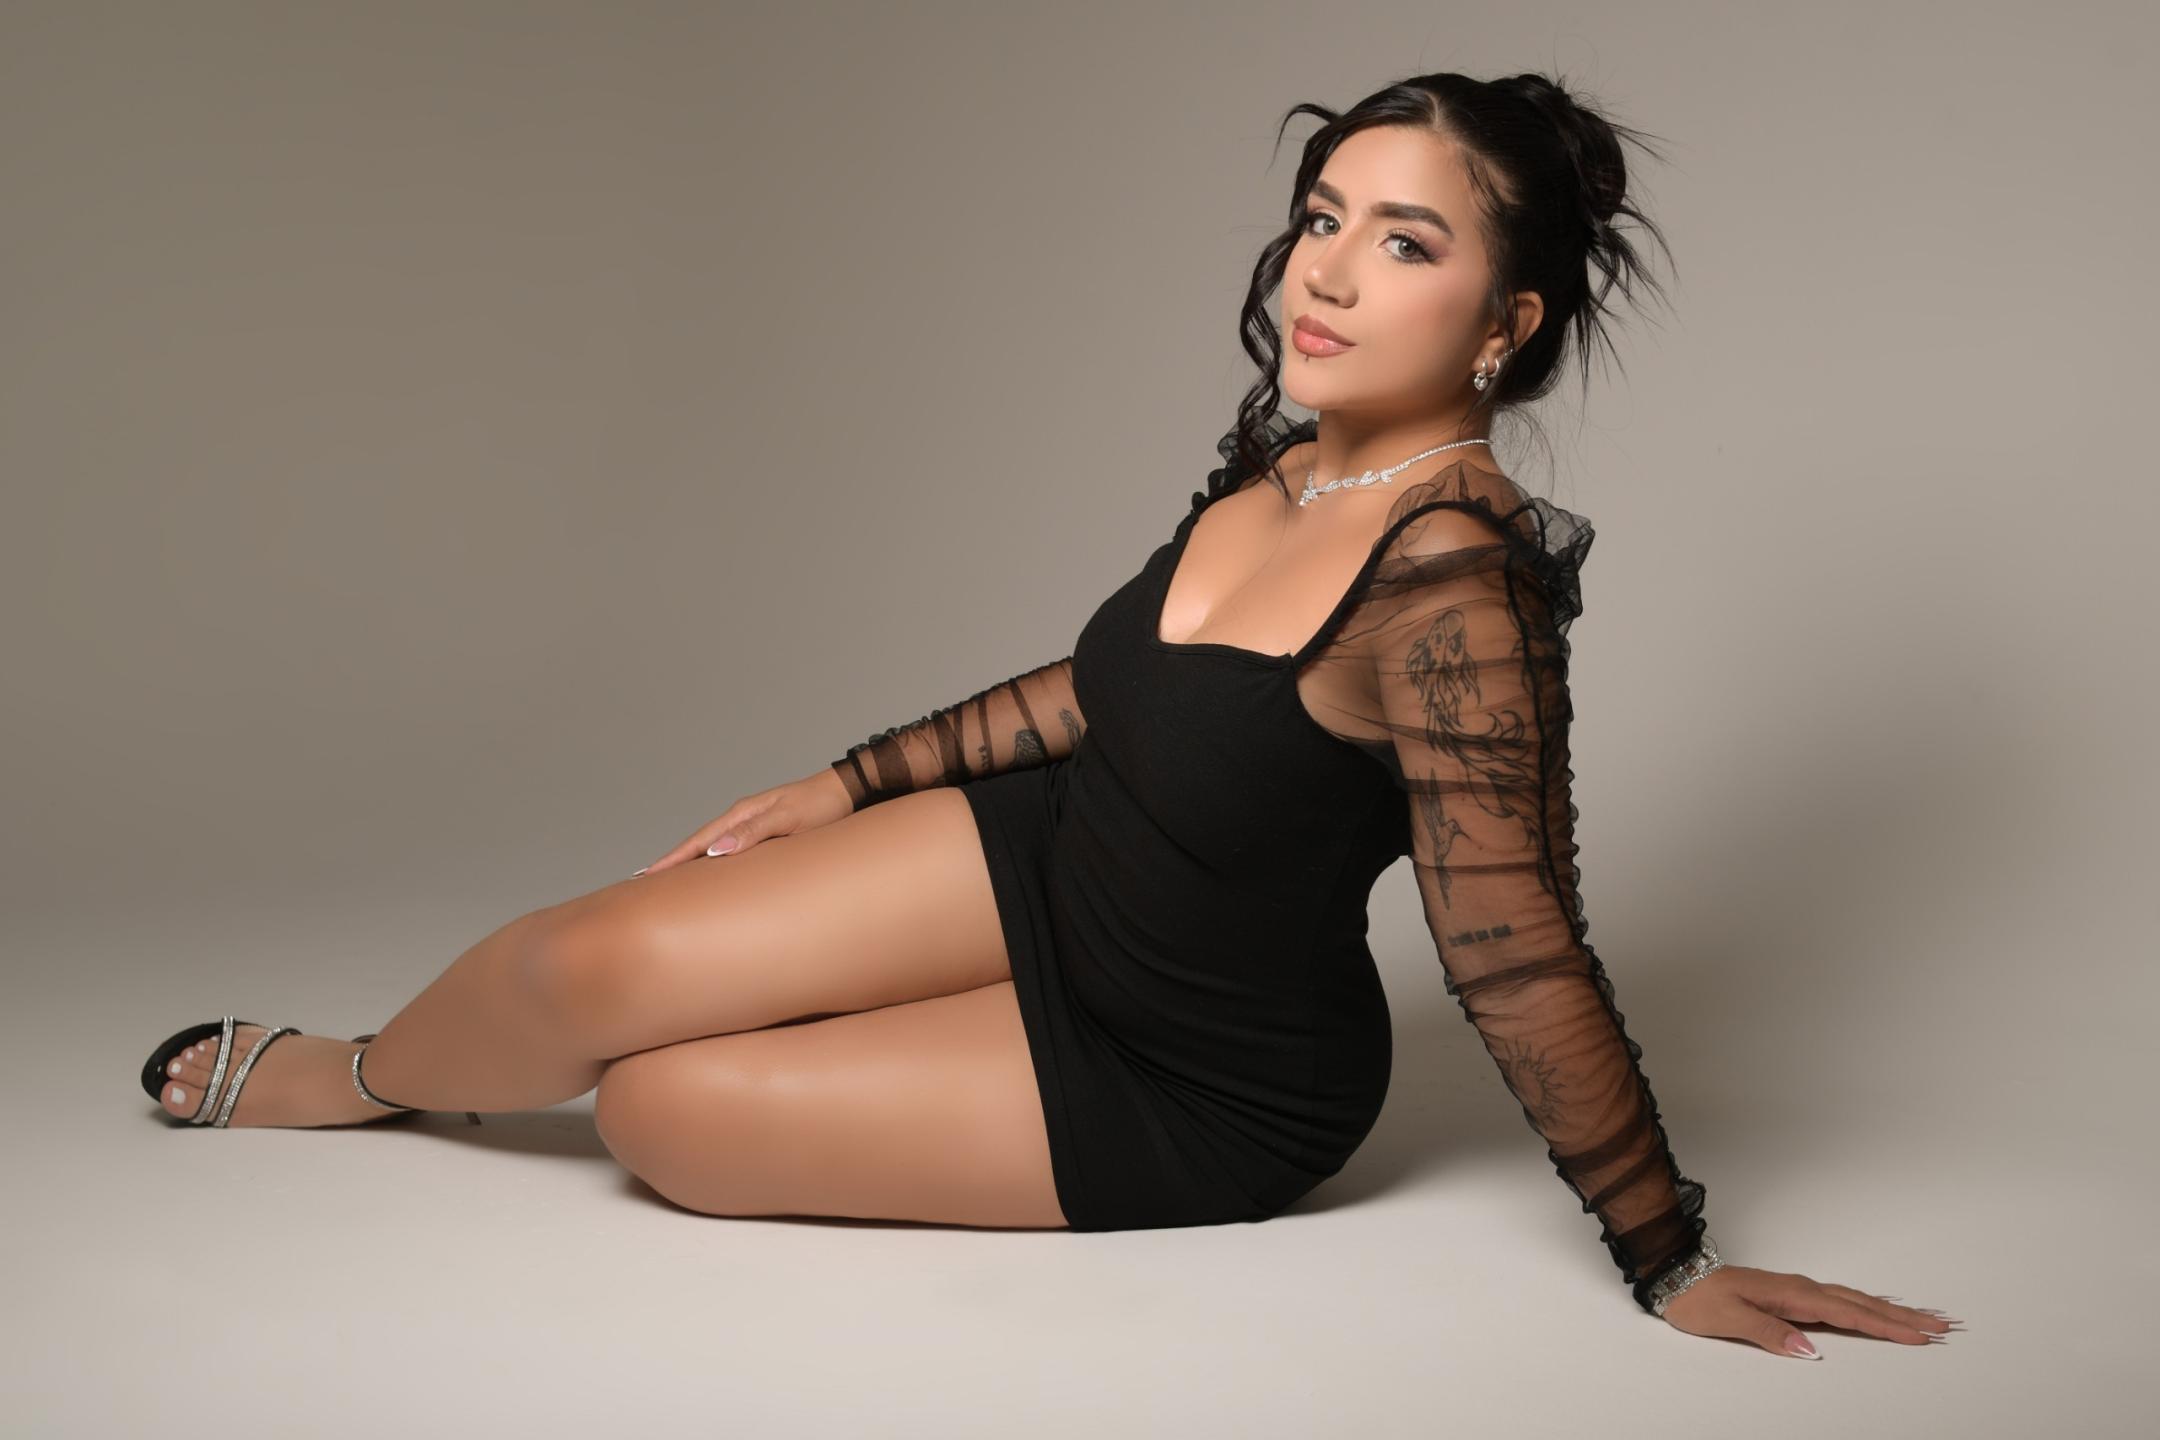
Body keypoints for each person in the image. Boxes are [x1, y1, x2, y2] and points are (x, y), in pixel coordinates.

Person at [141, 71, 1959, 1357]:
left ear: (1508, 319)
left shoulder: (1453, 592)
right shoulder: (1289, 464)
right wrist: (844, 783)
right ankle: (359, 1079)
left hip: (1198, 1067)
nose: (1325, 272)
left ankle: (745, 1053)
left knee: (660, 1116)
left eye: (1405, 243)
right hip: (1055, 863)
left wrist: (1666, 1252)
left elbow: (1516, 946)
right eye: (1321, 217)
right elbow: (1113, 687)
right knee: (574, 968)